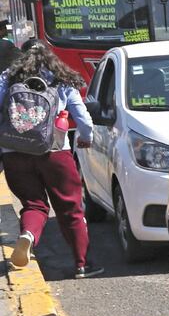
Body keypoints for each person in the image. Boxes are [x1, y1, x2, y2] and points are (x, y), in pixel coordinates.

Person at [5, 40, 102, 279]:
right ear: (51, 57)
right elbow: (84, 120)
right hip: (55, 151)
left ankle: (28, 235)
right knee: (71, 208)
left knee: (34, 204)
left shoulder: (8, 77)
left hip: (14, 152)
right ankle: (82, 264)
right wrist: (85, 139)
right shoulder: (60, 80)